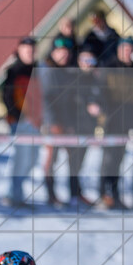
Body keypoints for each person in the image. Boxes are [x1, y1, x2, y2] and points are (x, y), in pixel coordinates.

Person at [40, 36, 92, 208]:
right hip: (52, 124)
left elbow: (69, 101)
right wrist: (54, 123)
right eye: (60, 52)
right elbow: (46, 100)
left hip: (67, 123)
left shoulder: (67, 73)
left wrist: (70, 123)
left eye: (66, 53)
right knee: (51, 159)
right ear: (53, 52)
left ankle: (75, 193)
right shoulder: (47, 71)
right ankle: (51, 194)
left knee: (74, 158)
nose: (64, 56)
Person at [0, 36, 42, 208]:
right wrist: (19, 117)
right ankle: (13, 195)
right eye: (26, 49)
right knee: (21, 159)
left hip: (36, 123)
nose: (30, 53)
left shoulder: (38, 70)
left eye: (32, 50)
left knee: (32, 158)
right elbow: (8, 98)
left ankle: (17, 193)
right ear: (20, 51)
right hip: (20, 123)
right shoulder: (13, 71)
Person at [100, 36, 133, 209]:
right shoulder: (109, 67)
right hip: (111, 121)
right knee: (108, 159)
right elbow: (102, 93)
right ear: (118, 50)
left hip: (127, 121)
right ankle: (104, 194)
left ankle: (115, 194)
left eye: (130, 49)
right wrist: (105, 116)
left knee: (119, 159)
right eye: (124, 48)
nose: (127, 52)